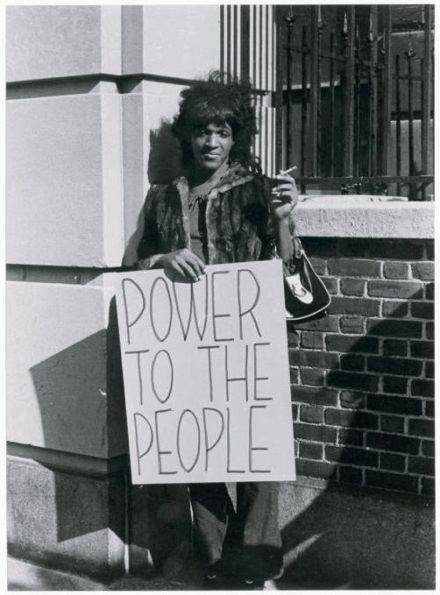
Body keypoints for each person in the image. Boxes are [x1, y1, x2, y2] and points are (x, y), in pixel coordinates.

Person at [135, 71, 301, 590]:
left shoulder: (258, 190)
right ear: (188, 134)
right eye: (204, 130)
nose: (212, 141)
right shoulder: (164, 197)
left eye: (224, 132)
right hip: (186, 346)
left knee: (258, 462)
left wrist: (283, 219)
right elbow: (137, 267)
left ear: (237, 138)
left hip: (247, 346)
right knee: (200, 458)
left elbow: (290, 269)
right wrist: (164, 257)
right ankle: (215, 563)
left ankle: (254, 565)